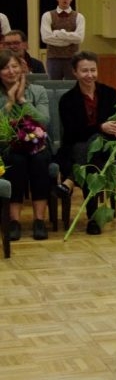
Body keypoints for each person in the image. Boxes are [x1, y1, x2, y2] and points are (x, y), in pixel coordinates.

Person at [55, 51, 116, 235]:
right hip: (75, 146)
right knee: (91, 159)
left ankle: (70, 180)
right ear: (75, 72)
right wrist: (101, 127)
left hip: (108, 148)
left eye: (93, 70)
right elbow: (73, 131)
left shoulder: (110, 94)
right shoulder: (67, 100)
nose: (90, 75)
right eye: (84, 71)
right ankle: (93, 218)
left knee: (94, 148)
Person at [0, 49, 51, 241]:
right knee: (16, 160)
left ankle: (39, 220)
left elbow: (44, 121)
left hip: (38, 146)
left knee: (39, 160)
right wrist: (10, 102)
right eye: (5, 68)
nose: (11, 71)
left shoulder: (38, 91)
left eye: (14, 66)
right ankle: (14, 222)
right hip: (7, 147)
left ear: (22, 69)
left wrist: (22, 100)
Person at [40, 0, 85, 80]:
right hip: (53, 58)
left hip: (72, 58)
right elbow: (46, 38)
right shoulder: (47, 15)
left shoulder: (79, 16)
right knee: (53, 87)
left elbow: (79, 38)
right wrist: (69, 40)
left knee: (73, 87)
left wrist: (59, 34)